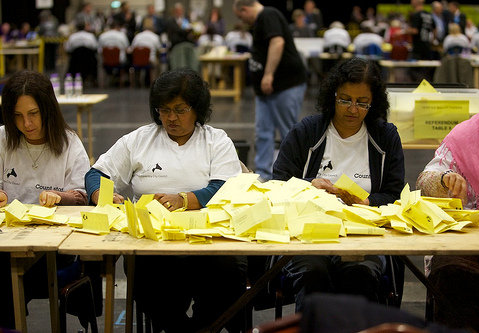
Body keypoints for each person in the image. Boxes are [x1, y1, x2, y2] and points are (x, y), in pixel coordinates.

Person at [84, 68, 247, 332]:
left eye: (180, 109)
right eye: (164, 109)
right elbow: (97, 172)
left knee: (230, 271)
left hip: (207, 242)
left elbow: (224, 187)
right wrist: (101, 194)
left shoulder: (216, 141)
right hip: (153, 244)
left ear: (198, 109)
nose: (171, 118)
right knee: (142, 272)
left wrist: (183, 200)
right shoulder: (139, 140)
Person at [273, 57, 405, 312]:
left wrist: (367, 202)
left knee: (359, 274)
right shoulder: (307, 132)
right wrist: (309, 185)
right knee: (314, 273)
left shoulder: (385, 137)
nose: (352, 109)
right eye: (344, 99)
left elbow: (395, 195)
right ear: (332, 95)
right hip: (308, 233)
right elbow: (278, 183)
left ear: (373, 103)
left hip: (364, 235)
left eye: (362, 103)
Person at [0, 70, 90, 329]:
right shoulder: (3, 139)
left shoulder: (69, 143)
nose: (26, 124)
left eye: (33, 113)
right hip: (10, 238)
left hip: (52, 249)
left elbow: (83, 198)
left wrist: (60, 197)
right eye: (17, 115)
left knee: (8, 275)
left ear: (48, 109)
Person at [415, 79, 479, 332]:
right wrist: (444, 180)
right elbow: (423, 181)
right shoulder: (466, 136)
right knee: (450, 272)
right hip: (469, 246)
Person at [233, 0, 308, 182]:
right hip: (267, 91)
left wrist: (268, 75)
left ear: (245, 9)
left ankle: (293, 177)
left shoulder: (268, 14)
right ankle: (263, 176)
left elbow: (277, 42)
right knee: (263, 132)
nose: (242, 21)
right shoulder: (261, 20)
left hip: (285, 85)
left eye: (240, 16)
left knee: (288, 133)